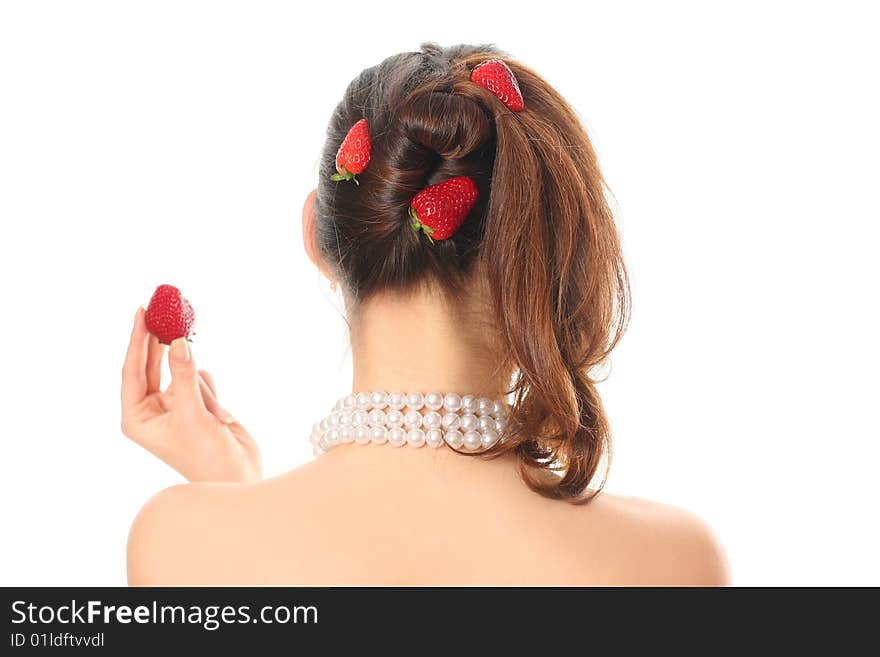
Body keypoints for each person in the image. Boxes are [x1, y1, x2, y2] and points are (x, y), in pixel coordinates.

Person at [121, 43, 728, 586]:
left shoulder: (176, 540)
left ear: (315, 234)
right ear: (548, 259)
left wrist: (230, 495)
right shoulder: (676, 560)